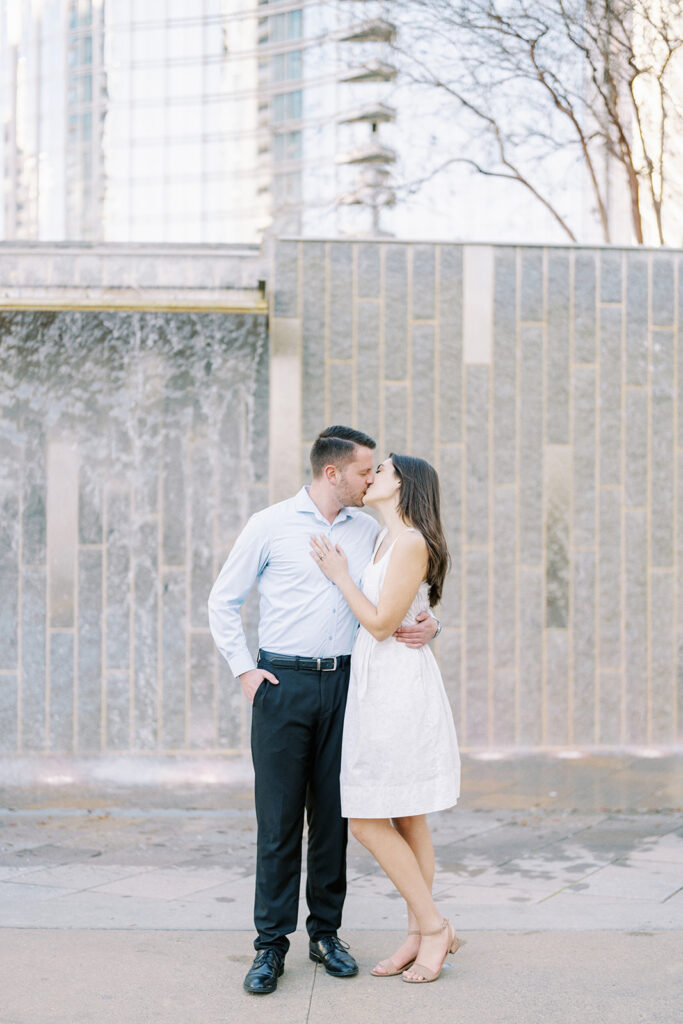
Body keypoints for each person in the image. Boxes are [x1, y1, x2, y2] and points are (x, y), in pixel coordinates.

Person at [207, 427, 440, 995]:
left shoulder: (370, 531)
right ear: (332, 473)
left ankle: (326, 934)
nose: (371, 479)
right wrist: (245, 670)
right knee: (279, 821)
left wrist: (432, 625)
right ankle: (270, 946)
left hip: (348, 688)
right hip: (281, 685)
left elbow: (406, 594)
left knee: (336, 817)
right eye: (365, 471)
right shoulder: (270, 525)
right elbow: (223, 599)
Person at [309, 453, 461, 984]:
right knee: (406, 817)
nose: (372, 476)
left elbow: (378, 624)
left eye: (384, 471)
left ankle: (434, 927)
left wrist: (339, 575)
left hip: (396, 687)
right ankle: (421, 934)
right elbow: (408, 607)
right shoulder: (382, 537)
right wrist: (431, 620)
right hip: (380, 682)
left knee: (370, 820)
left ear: (404, 486)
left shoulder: (411, 541)